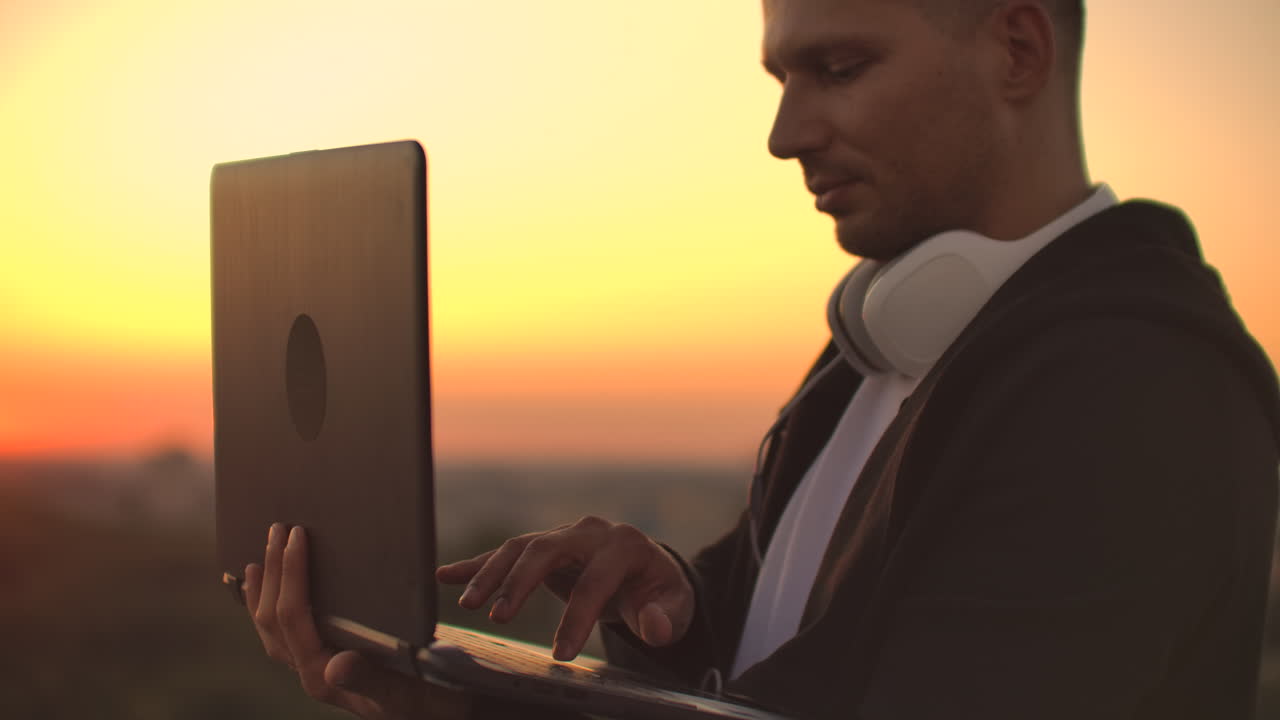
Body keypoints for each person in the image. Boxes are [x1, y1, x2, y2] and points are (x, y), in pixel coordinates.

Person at [243, 0, 1280, 718]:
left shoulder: (1134, 387)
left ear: (1015, 49)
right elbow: (759, 666)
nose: (784, 135)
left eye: (837, 68)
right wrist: (670, 610)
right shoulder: (874, 347)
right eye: (781, 76)